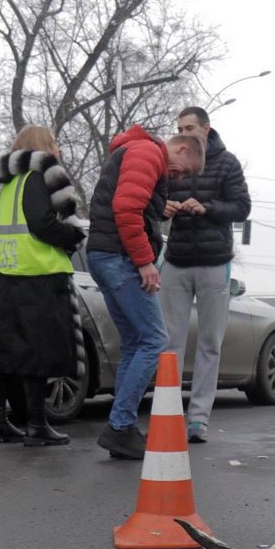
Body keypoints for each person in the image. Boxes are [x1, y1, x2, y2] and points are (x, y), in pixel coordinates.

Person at [87, 126, 205, 459]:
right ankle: (121, 426)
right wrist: (144, 262)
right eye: (183, 171)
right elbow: (126, 210)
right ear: (181, 149)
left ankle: (120, 427)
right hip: (119, 258)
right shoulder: (148, 153)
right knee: (154, 339)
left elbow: (127, 204)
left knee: (135, 343)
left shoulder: (137, 153)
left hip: (105, 255)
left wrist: (157, 207)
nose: (178, 178)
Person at [0, 125, 87, 447]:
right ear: (43, 146)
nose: (57, 148)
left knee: (6, 351)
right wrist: (73, 236)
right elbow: (42, 223)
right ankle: (36, 424)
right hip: (39, 274)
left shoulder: (9, 183)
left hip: (10, 272)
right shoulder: (36, 178)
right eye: (54, 142)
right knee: (37, 353)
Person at [159, 106, 252, 443]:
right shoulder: (172, 159)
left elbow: (242, 207)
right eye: (179, 127)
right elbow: (154, 199)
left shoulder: (227, 163)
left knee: (210, 343)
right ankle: (166, 412)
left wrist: (207, 208)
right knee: (170, 342)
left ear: (206, 129)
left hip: (214, 262)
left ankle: (198, 419)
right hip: (177, 260)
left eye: (189, 127)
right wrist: (162, 207)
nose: (183, 133)